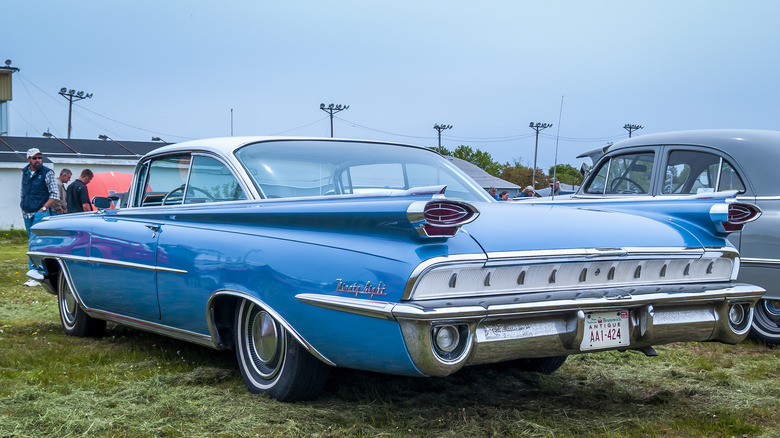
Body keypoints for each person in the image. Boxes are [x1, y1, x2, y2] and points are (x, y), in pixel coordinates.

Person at [21, 148, 59, 286]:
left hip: (39, 213)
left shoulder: (47, 173)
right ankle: (41, 272)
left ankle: (37, 274)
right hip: (27, 212)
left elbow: (55, 195)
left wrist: (42, 209)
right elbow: (24, 191)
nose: (37, 160)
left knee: (34, 243)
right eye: (34, 158)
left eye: (39, 157)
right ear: (28, 160)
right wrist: (22, 206)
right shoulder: (25, 172)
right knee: (33, 243)